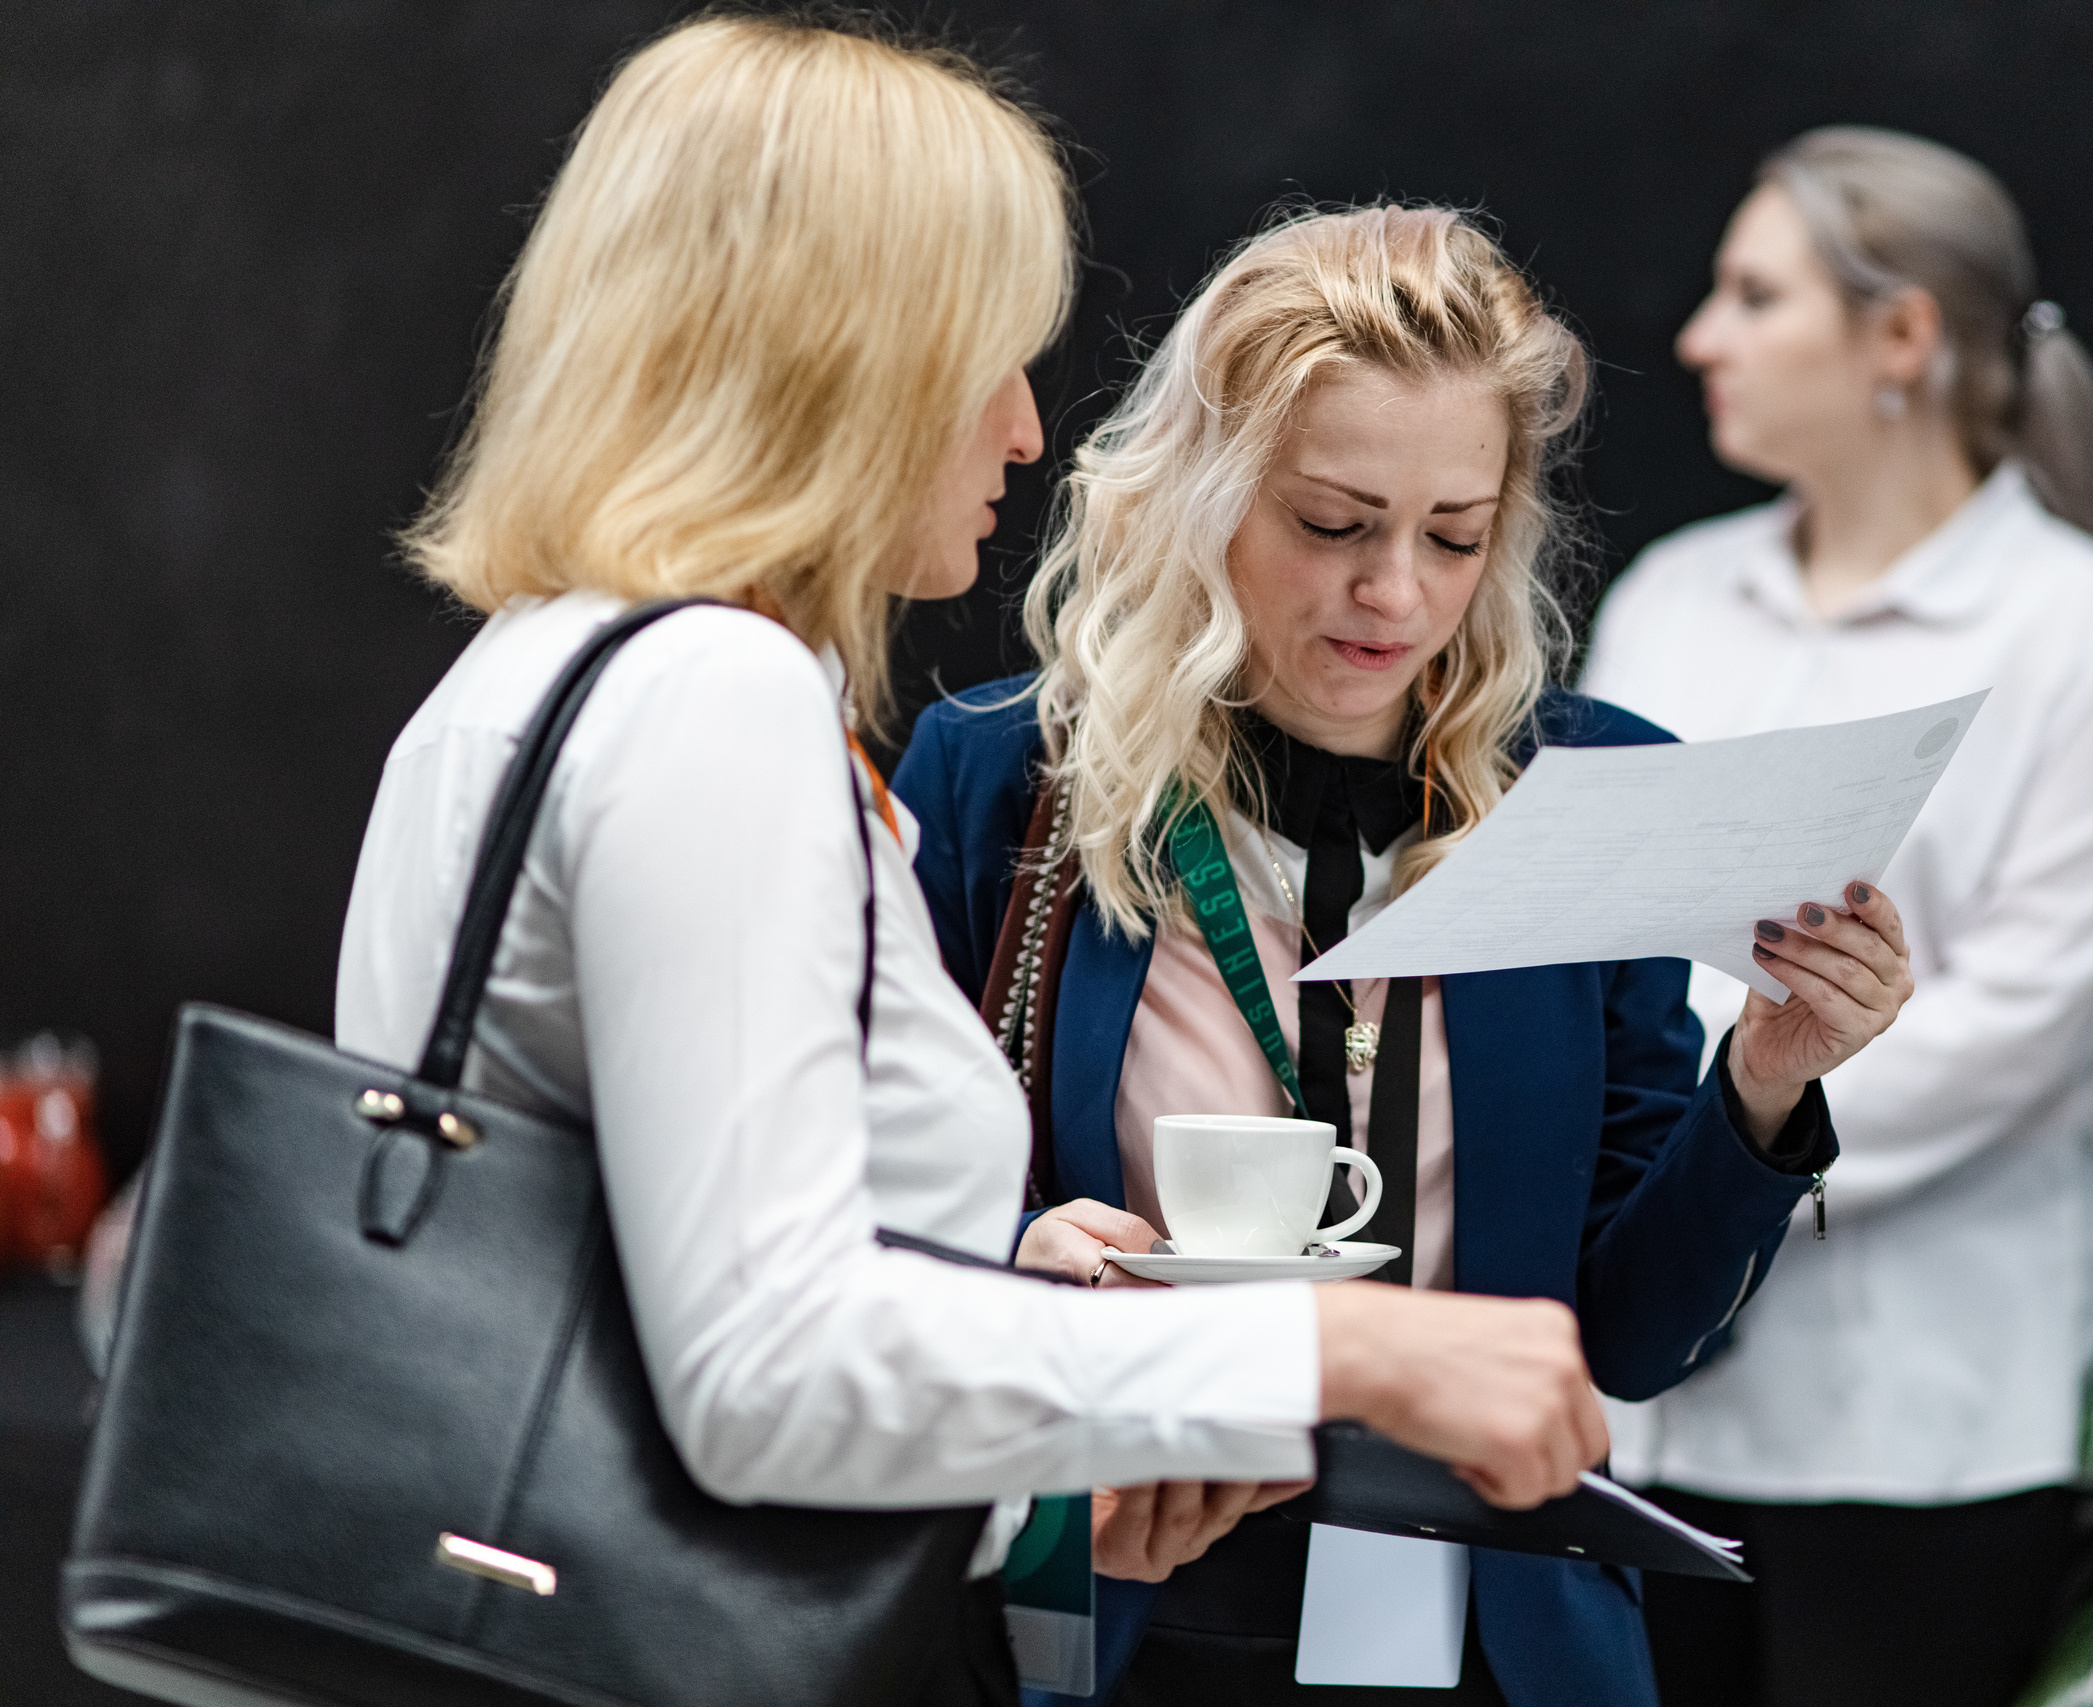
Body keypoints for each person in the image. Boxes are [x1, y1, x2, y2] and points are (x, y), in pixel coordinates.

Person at [333, 19, 1613, 1703]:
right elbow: (764, 1367)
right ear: (840, 362)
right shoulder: (712, 699)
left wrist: (1062, 1440)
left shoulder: (542, 664)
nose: (1026, 432)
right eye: (997, 357)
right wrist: (1332, 1339)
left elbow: (704, 1271)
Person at [894, 204, 1916, 1707]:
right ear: (1203, 492)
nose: (1398, 596)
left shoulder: (1596, 794)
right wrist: (1018, 1253)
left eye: (1454, 535)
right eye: (1332, 524)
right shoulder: (1001, 777)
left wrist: (1763, 1089)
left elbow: (1628, 1340)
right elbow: (869, 1217)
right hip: (1101, 1590)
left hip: (1489, 1634)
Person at [1581, 127, 2093, 1707]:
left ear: (1905, 338)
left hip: (1921, 1425)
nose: (1697, 337)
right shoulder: (1671, 596)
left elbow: (2017, 1038)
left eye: (1753, 294)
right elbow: (1586, 931)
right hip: (1645, 1399)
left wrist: (1711, 1141)